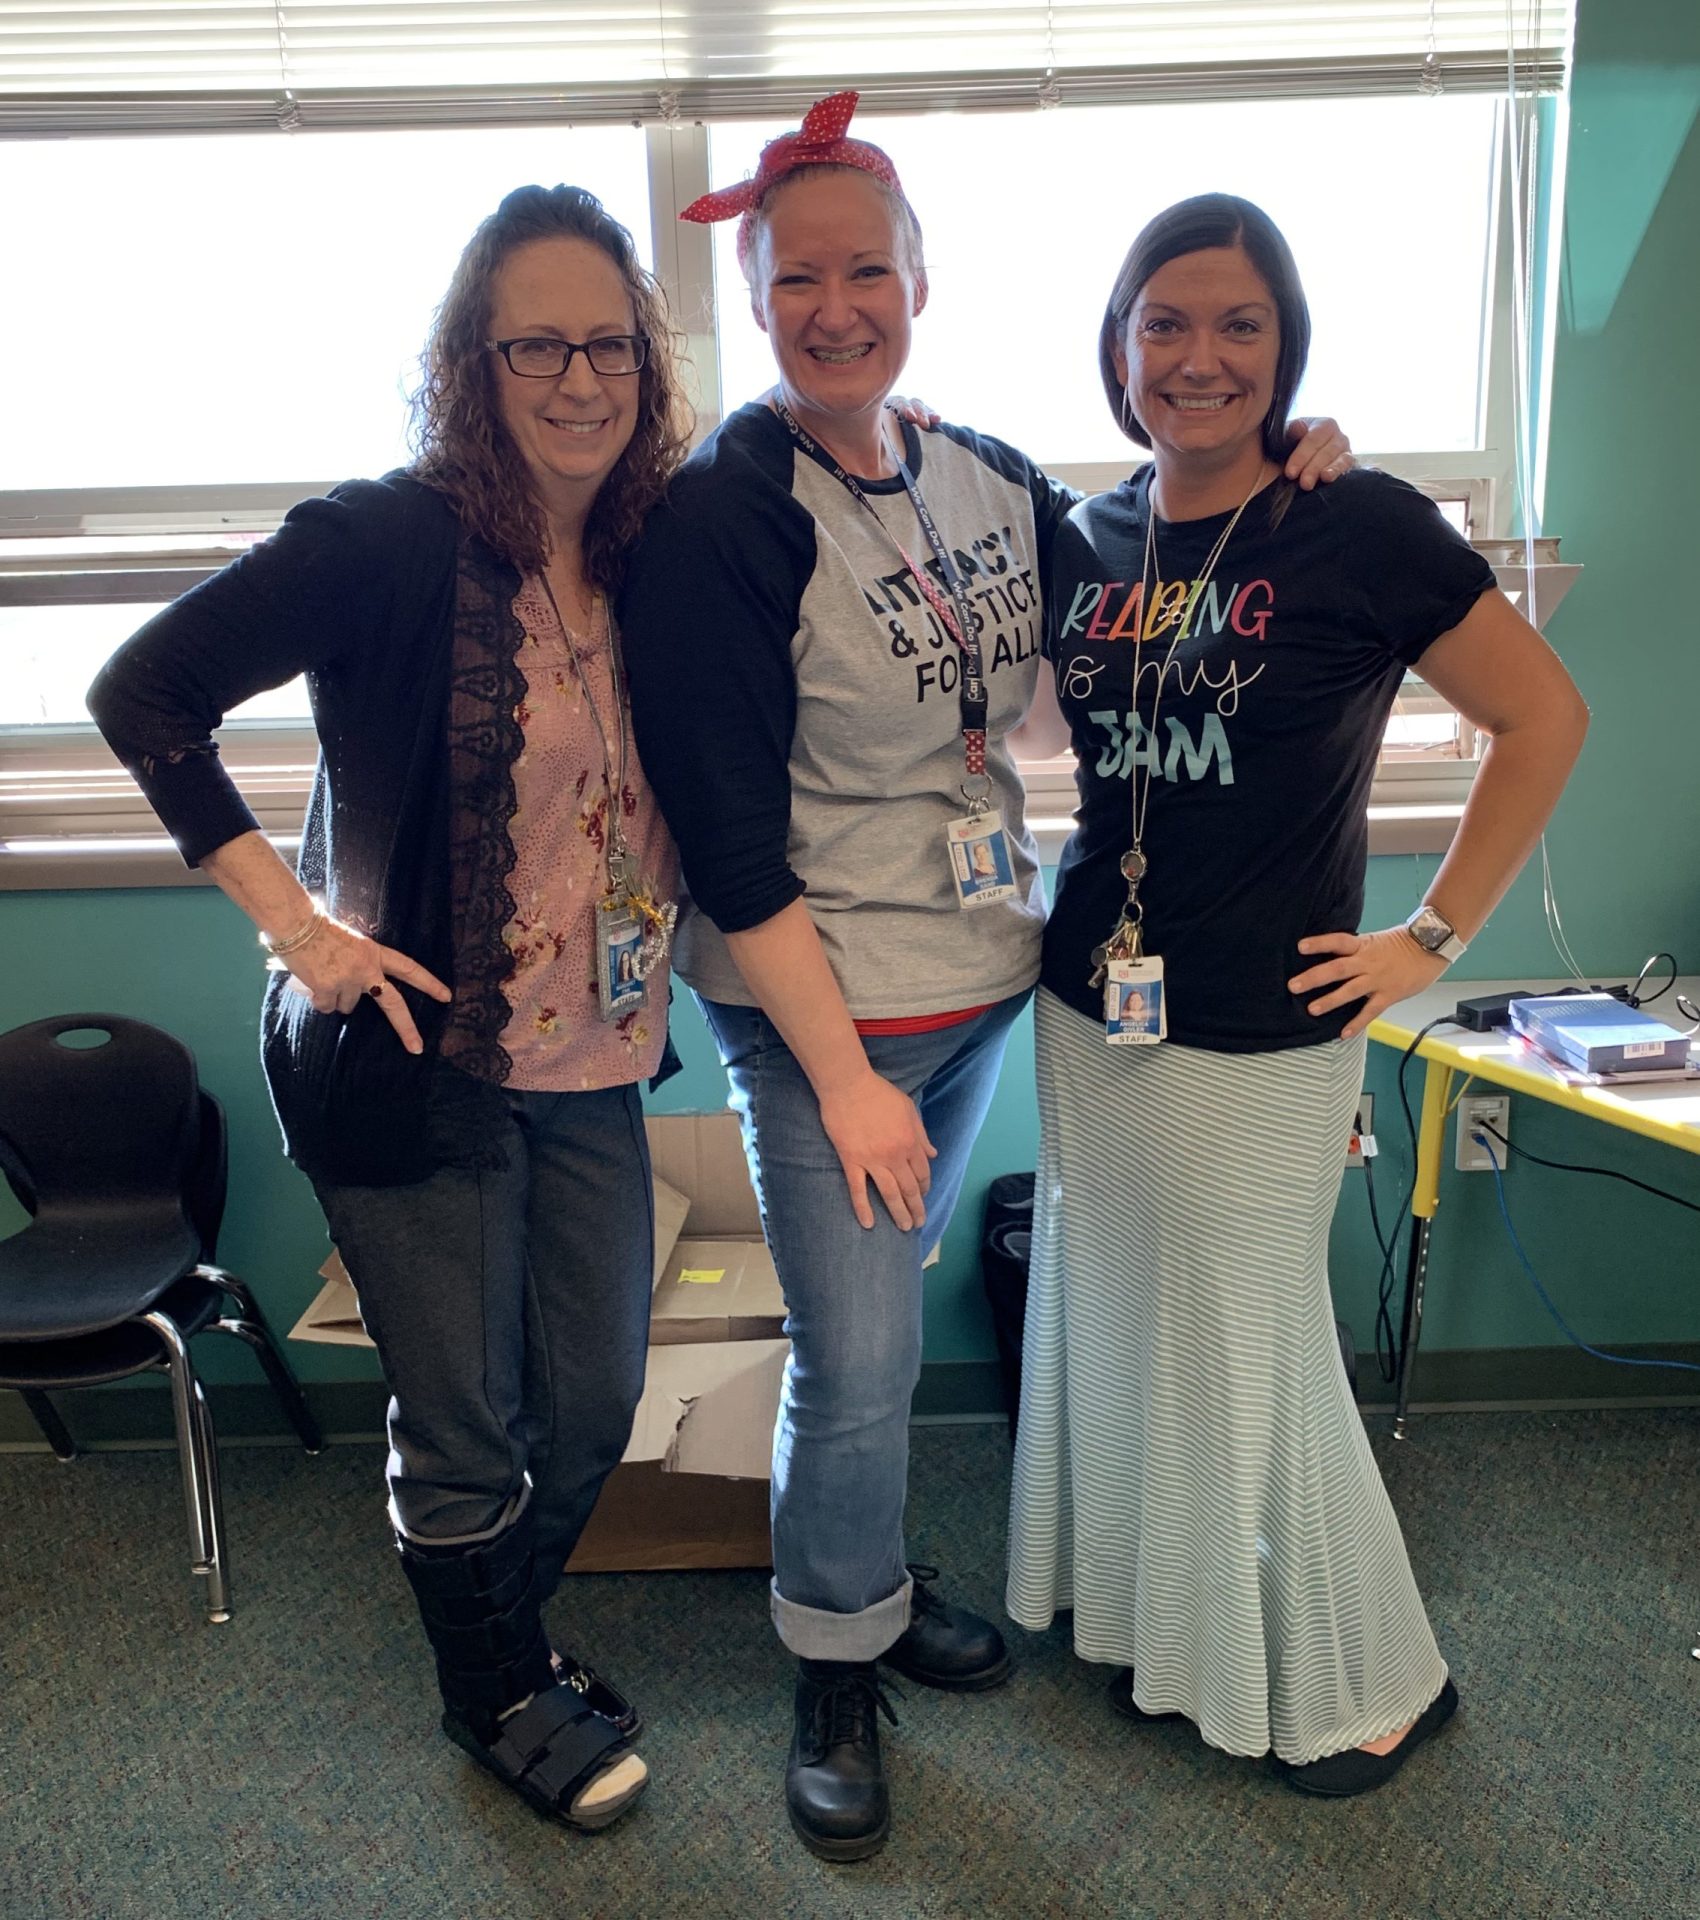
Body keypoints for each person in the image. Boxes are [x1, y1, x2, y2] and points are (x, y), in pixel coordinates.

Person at [617, 96, 1349, 1859]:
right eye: (800, 280)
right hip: (828, 1022)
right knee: (860, 1359)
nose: (838, 308)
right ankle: (832, 1656)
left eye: (869, 271)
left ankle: (866, 1578)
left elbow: (1157, 559)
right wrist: (844, 1081)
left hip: (974, 986)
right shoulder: (727, 515)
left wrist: (1298, 463)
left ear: (920, 283)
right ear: (754, 299)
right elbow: (729, 842)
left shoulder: (979, 473)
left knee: (881, 1324)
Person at [88, 185, 690, 1833]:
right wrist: (300, 931)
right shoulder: (389, 539)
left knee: (595, 1396)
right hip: (413, 1058)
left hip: (596, 1051)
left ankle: (505, 1631)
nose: (580, 378)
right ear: (470, 363)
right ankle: (491, 1692)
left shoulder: (647, 543)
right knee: (468, 1417)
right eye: (535, 346)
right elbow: (144, 691)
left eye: (611, 345)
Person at [1005, 193, 1589, 1796]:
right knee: (1129, 1319)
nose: (1199, 357)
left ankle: (1368, 1678)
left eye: (1239, 325)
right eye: (1166, 323)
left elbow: (1544, 718)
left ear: (1287, 348)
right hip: (1089, 1008)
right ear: (1120, 345)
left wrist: (1433, 941)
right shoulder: (1089, 535)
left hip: (1269, 1022)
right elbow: (1040, 728)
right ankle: (1162, 1626)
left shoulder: (1359, 522)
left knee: (1254, 1346)